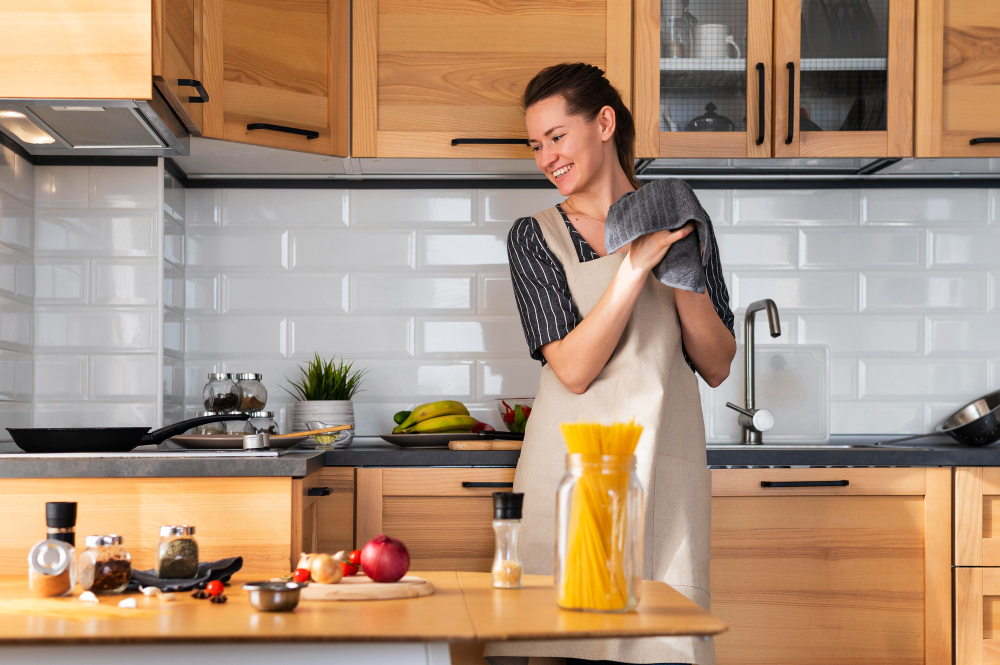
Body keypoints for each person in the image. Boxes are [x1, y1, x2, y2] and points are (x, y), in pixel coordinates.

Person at [483, 63, 736, 665]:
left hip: (661, 472)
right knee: (566, 647)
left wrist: (680, 265)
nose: (546, 156)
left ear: (603, 123)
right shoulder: (533, 236)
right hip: (572, 477)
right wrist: (634, 267)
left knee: (665, 647)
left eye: (556, 136)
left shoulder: (681, 219)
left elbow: (718, 361)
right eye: (536, 145)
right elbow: (572, 369)